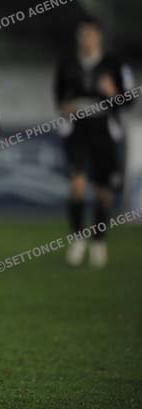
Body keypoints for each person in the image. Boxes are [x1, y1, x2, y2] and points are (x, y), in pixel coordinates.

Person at [55, 19, 134, 268]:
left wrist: (113, 94)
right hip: (77, 129)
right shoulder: (67, 63)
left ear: (98, 37)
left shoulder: (114, 64)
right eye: (83, 34)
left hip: (104, 129)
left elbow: (129, 101)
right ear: (78, 37)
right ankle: (78, 239)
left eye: (91, 34)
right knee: (76, 184)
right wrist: (65, 106)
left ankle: (99, 242)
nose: (87, 39)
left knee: (103, 191)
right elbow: (59, 94)